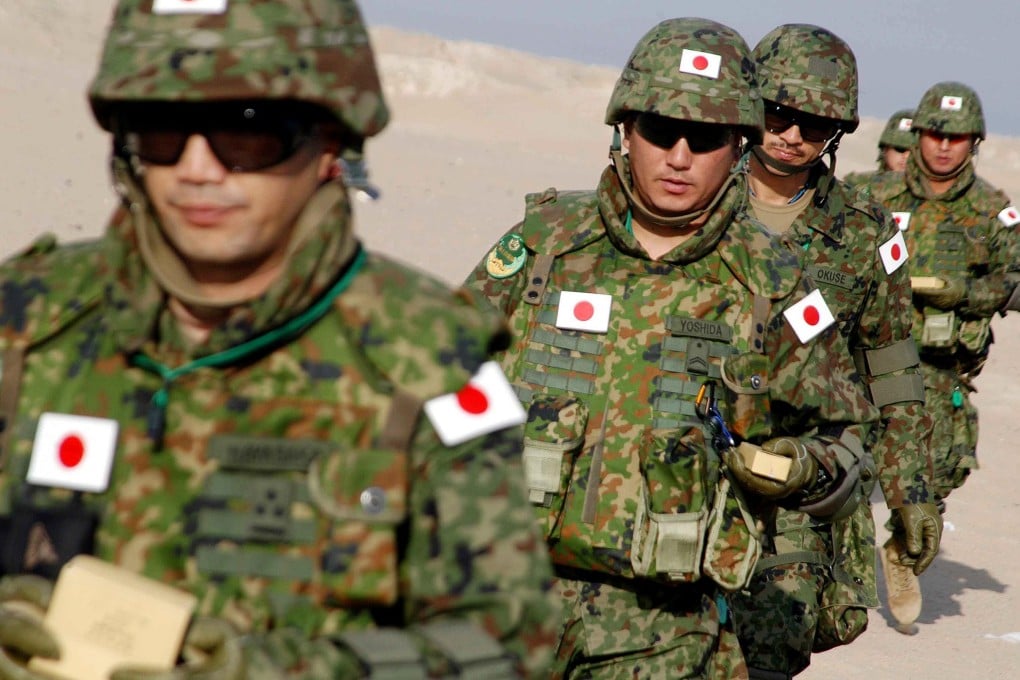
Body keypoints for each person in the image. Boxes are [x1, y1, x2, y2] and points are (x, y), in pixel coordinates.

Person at [0, 0, 560, 677]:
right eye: (163, 130)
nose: (199, 169)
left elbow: (506, 644)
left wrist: (263, 671)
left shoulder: (429, 356)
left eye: (247, 131)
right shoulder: (27, 321)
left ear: (331, 145)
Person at [465, 17, 880, 679]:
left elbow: (849, 440)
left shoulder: (775, 284)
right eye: (660, 130)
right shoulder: (547, 244)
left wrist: (796, 466)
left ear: (738, 146)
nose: (679, 156)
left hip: (664, 632)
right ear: (624, 132)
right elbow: (439, 378)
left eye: (706, 137)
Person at [727, 24, 941, 675]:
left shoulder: (866, 233)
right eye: (780, 113)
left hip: (797, 492)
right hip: (679, 467)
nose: (793, 134)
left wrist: (912, 491)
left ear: (838, 133)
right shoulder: (692, 201)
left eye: (815, 124)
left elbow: (893, 371)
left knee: (766, 656)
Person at [867, 81, 1020, 631]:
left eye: (956, 137)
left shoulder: (991, 210)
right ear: (919, 134)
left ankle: (901, 555)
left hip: (936, 369)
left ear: (973, 143)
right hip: (860, 358)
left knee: (934, 478)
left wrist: (970, 294)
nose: (943, 147)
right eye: (935, 133)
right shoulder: (872, 196)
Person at [842, 108, 915, 189]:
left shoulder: (927, 192)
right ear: (885, 149)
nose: (907, 156)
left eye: (914, 151)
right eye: (900, 149)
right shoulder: (858, 185)